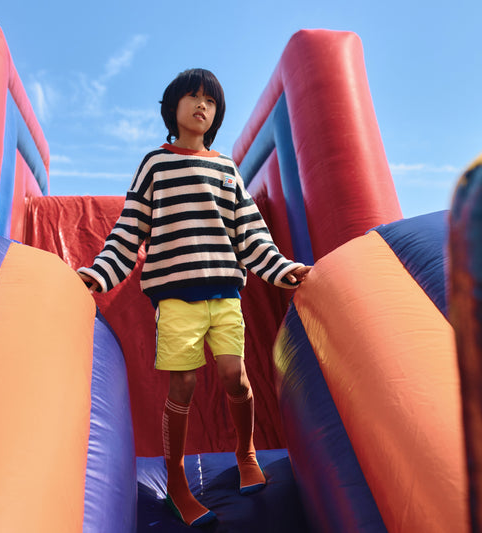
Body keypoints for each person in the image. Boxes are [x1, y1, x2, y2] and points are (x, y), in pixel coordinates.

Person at [77, 68, 311, 527]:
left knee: (234, 377)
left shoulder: (225, 169)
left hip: (224, 293)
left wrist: (283, 269)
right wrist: (99, 275)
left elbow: (250, 233)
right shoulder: (155, 166)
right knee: (182, 386)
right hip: (177, 299)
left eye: (211, 102)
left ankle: (245, 454)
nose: (202, 106)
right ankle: (177, 483)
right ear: (174, 107)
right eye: (193, 98)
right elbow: (129, 232)